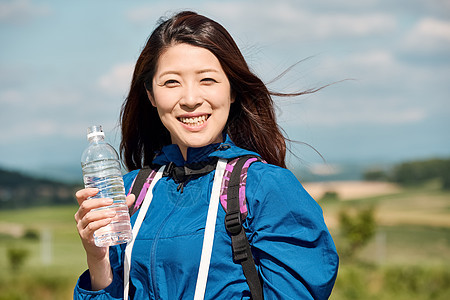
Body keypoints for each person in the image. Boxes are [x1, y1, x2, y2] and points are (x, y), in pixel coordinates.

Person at [74, 11, 338, 300]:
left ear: (232, 90)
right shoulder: (130, 192)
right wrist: (97, 260)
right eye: (171, 82)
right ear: (150, 94)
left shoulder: (266, 188)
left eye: (208, 80)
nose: (190, 99)